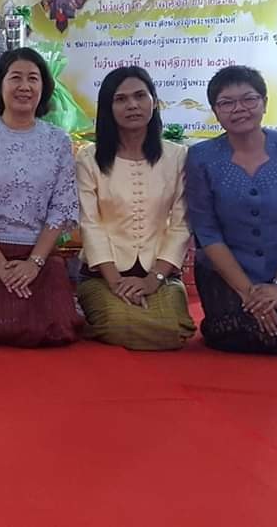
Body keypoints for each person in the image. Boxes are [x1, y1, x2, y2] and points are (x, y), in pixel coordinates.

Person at [186, 65, 277, 357]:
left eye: (249, 99)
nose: (239, 109)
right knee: (230, 335)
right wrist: (249, 294)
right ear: (215, 111)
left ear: (264, 102)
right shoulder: (201, 157)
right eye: (227, 103)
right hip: (226, 273)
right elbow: (207, 232)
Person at [0, 47, 83, 347]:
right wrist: (0, 265)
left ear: (44, 87)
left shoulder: (58, 140)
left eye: (33, 78)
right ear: (0, 85)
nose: (25, 86)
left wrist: (34, 263)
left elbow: (61, 207)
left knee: (58, 328)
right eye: (15, 78)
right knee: (4, 324)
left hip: (40, 256)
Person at [75, 67, 195, 350]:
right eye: (121, 99)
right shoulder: (89, 158)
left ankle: (108, 321)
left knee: (175, 329)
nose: (132, 105)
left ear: (154, 101)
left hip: (160, 273)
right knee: (117, 323)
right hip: (104, 275)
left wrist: (154, 280)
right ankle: (105, 317)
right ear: (108, 108)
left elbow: (181, 224)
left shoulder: (177, 156)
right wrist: (116, 282)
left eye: (140, 96)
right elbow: (90, 223)